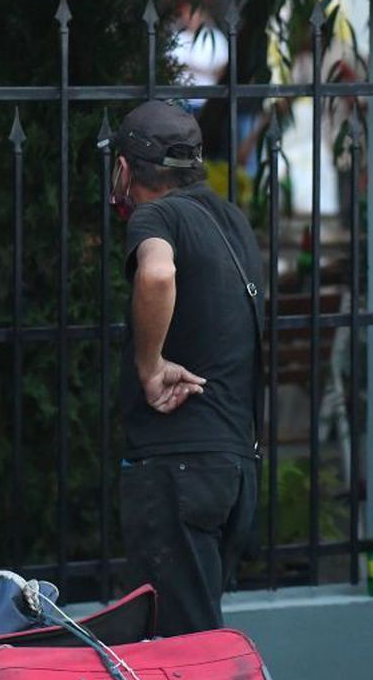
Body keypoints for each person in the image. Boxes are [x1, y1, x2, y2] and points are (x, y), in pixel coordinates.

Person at [110, 100, 262, 637]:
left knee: (185, 652)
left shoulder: (156, 216)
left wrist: (149, 365)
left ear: (124, 169)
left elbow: (156, 275)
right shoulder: (231, 221)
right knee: (193, 637)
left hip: (178, 469)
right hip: (233, 467)